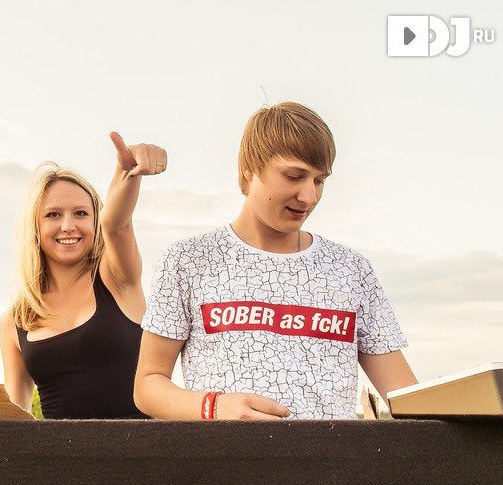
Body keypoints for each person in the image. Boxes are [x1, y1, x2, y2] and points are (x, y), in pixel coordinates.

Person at [134, 102, 417, 421]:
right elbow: (147, 386)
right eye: (294, 176)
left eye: (319, 181)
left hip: (336, 455)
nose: (309, 197)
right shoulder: (188, 260)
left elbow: (405, 396)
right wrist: (215, 407)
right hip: (225, 455)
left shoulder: (352, 270)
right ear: (249, 169)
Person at [1, 132, 167, 419]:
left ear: (95, 220)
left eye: (80, 213)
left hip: (144, 447)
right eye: (53, 215)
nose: (68, 226)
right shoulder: (16, 318)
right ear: (35, 226)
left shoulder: (117, 277)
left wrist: (127, 173)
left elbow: (117, 225)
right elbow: (15, 418)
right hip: (58, 450)